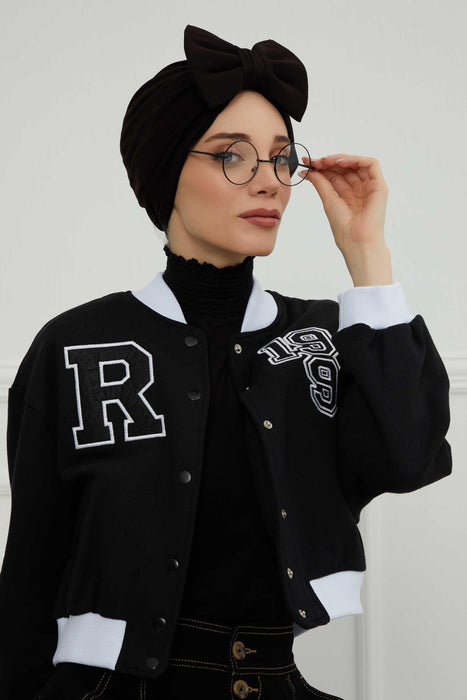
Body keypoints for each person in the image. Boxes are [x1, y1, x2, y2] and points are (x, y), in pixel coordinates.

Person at [0, 24, 452, 700]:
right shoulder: (74, 345)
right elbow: (31, 572)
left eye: (280, 159)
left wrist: (366, 254)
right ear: (166, 172)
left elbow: (410, 456)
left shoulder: (324, 338)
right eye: (231, 156)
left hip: (280, 681)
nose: (268, 181)